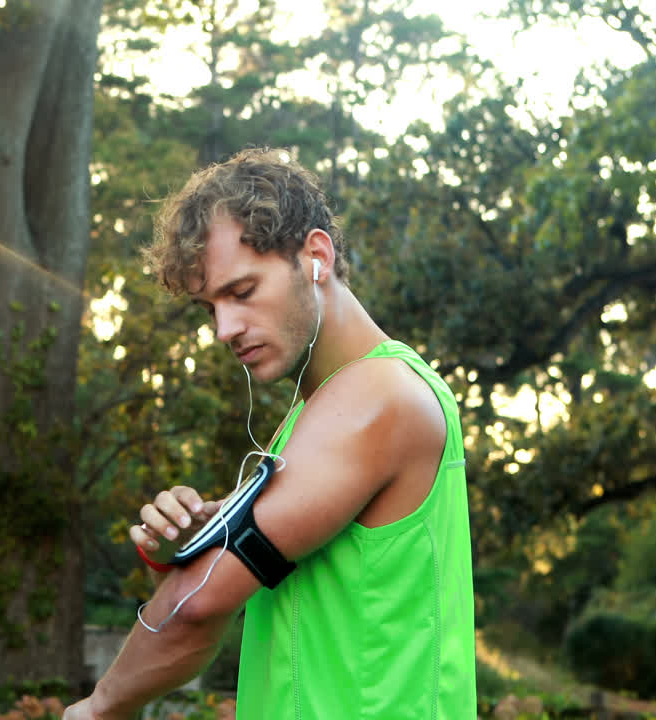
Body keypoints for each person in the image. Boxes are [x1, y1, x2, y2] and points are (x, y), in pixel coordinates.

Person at [64, 148, 476, 719]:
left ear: (315, 257)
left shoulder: (376, 398)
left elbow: (198, 605)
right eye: (211, 308)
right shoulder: (324, 408)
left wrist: (98, 708)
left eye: (242, 292)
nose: (225, 329)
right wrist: (192, 540)